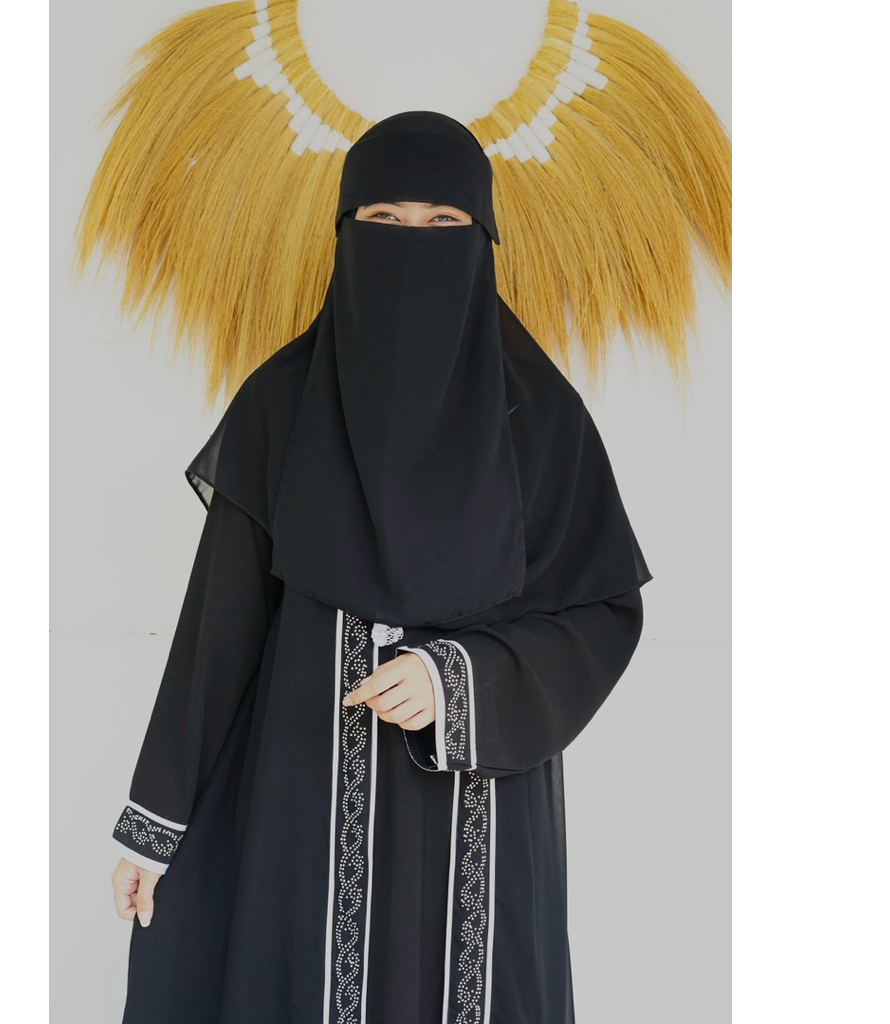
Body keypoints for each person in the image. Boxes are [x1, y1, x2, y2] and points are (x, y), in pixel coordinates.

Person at [109, 110, 652, 1023]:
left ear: (482, 237)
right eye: (385, 220)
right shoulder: (282, 405)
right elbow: (216, 633)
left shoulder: (541, 420)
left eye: (443, 223)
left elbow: (602, 612)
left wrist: (459, 680)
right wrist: (155, 828)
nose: (413, 242)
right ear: (345, 232)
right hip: (304, 805)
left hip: (480, 812)